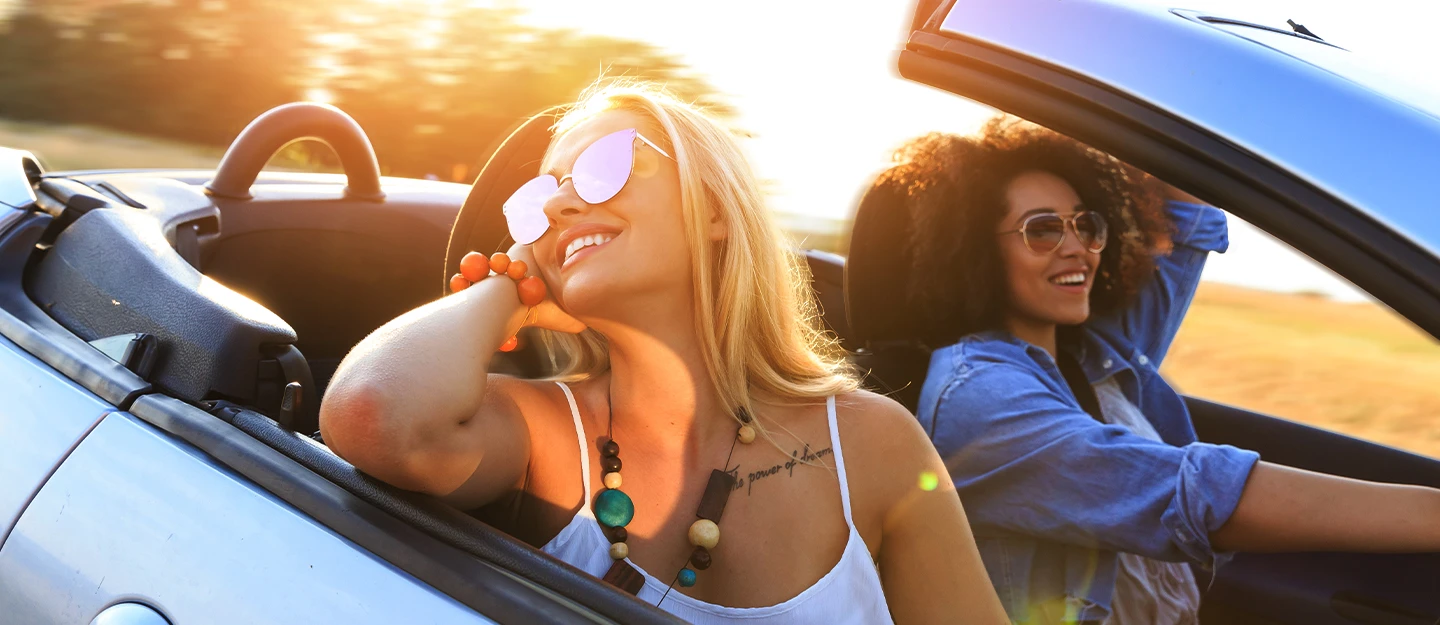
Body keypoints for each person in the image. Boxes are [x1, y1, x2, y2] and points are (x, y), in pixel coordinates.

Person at [318, 82, 1008, 624]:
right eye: (537, 199)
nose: (559, 206)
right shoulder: (541, 434)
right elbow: (375, 414)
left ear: (712, 208)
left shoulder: (875, 443)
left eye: (601, 168)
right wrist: (510, 281)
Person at [885, 117, 1440, 624]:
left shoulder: (1093, 350)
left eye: (1087, 223)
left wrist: (1104, 102)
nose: (1077, 248)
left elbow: (1188, 221)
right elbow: (1191, 493)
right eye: (1043, 229)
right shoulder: (981, 399)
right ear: (975, 250)